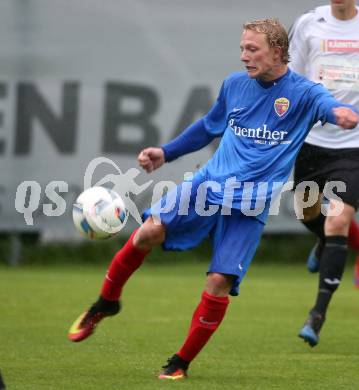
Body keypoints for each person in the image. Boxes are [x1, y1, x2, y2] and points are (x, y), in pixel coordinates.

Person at [68, 18, 358, 380]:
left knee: (218, 282)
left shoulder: (304, 93)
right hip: (207, 186)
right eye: (241, 48)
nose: (244, 56)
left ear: (279, 52)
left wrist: (342, 115)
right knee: (146, 232)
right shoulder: (236, 85)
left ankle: (180, 363)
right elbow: (208, 126)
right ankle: (106, 303)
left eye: (252, 49)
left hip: (250, 206)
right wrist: (165, 152)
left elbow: (330, 106)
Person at [289, 0, 359, 347]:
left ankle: (317, 314)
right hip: (313, 140)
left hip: (354, 144)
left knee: (338, 220)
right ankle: (321, 239)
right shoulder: (309, 23)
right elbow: (294, 80)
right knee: (308, 213)